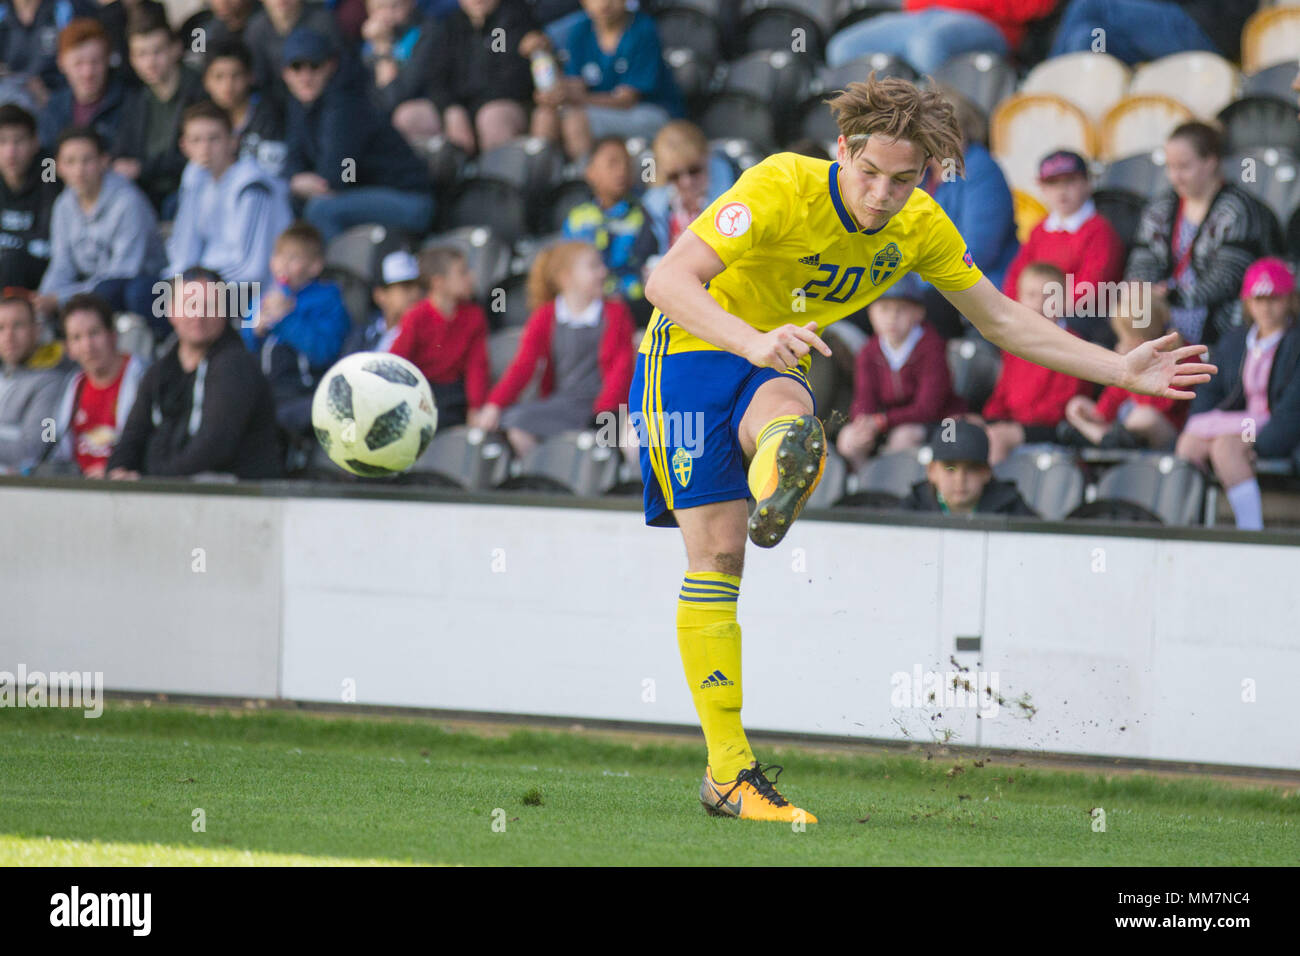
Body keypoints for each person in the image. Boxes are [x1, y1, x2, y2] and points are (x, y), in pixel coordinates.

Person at [637, 75, 1213, 823]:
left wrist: (1119, 367)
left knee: (787, 420)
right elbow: (666, 280)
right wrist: (753, 338)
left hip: (774, 358)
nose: (881, 195)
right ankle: (729, 770)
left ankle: (782, 462)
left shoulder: (921, 225)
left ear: (928, 175)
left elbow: (1002, 321)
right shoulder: (780, 184)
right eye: (869, 173)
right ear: (842, 149)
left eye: (903, 180)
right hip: (690, 349)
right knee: (716, 558)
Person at [107, 267, 283, 479]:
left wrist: (154, 483)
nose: (198, 315)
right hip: (165, 494)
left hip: (228, 496)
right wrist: (117, 471)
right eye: (190, 305)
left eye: (209, 306)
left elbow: (214, 447)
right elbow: (132, 436)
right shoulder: (158, 371)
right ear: (171, 311)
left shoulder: (236, 366)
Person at [1126, 122, 1282, 346]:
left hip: (1219, 323)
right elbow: (1142, 258)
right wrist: (1142, 288)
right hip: (1161, 315)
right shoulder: (1160, 207)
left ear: (1210, 163)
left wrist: (1170, 296)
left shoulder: (1237, 209)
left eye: (1184, 167)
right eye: (1170, 167)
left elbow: (1227, 279)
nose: (1174, 176)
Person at [477, 239, 634, 457]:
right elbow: (523, 366)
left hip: (609, 406)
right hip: (565, 405)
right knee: (513, 422)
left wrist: (603, 412)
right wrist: (494, 404)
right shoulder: (545, 316)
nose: (603, 272)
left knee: (632, 439)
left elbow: (621, 368)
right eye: (594, 267)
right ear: (566, 277)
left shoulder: (615, 313)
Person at [1175, 258, 1300, 531]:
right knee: (1189, 444)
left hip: (1270, 426)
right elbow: (1210, 390)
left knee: (1226, 447)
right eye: (1259, 299)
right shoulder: (1235, 340)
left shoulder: (1295, 341)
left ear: (1290, 300)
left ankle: (1250, 531)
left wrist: (1263, 445)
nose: (1266, 307)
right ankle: (1186, 526)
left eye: (1275, 299)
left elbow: (1293, 410)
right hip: (1240, 421)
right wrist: (1201, 420)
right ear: (1248, 303)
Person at [280, 26, 434, 243]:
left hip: (409, 199)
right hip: (365, 195)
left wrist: (308, 183)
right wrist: (295, 180)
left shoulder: (346, 103)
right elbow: (292, 160)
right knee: (284, 199)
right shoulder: (299, 104)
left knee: (321, 209)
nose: (305, 76)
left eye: (314, 66)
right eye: (297, 68)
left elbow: (340, 176)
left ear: (330, 65)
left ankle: (339, 275)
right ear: (285, 73)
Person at [34, 126, 165, 329]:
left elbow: (123, 273)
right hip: (92, 288)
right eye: (70, 162)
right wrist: (44, 298)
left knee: (113, 291)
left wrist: (60, 298)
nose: (79, 170)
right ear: (58, 167)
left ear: (104, 161)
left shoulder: (128, 201)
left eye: (87, 160)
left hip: (137, 286)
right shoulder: (63, 205)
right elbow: (61, 264)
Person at [836, 273, 965, 469]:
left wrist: (881, 421)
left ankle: (897, 488)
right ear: (871, 313)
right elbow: (863, 398)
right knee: (849, 439)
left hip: (936, 422)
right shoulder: (869, 352)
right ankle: (866, 484)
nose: (891, 318)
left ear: (918, 313)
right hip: (885, 423)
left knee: (904, 438)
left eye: (901, 310)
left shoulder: (932, 347)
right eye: (884, 309)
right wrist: (863, 422)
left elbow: (927, 408)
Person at [920, 88, 1017, 338]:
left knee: (921, 307)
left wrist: (918, 278)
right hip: (929, 282)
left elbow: (977, 251)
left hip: (979, 286)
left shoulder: (981, 169)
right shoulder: (921, 174)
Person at [165, 101, 292, 291]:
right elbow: (184, 250)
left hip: (251, 293)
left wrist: (195, 287)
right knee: (145, 292)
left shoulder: (252, 185)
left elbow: (252, 268)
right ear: (184, 146)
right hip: (207, 285)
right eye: (196, 140)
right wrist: (177, 283)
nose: (205, 148)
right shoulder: (197, 178)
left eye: (214, 139)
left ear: (233, 141)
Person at [1001, 149, 1125, 341]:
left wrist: (1045, 313)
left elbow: (1091, 287)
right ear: (1041, 187)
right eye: (1052, 183)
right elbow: (1017, 275)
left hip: (1081, 320)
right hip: (1038, 314)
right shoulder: (1040, 230)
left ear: (1087, 183)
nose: (1061, 191)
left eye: (1070, 181)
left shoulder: (1100, 230)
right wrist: (1016, 310)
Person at [973, 262, 1090, 464]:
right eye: (1031, 296)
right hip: (1015, 425)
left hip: (1054, 429)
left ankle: (994, 494)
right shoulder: (1014, 344)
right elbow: (1001, 395)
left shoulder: (1073, 345)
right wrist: (988, 420)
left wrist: (1009, 425)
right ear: (1018, 299)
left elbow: (1059, 407)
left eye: (1048, 297)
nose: (1038, 305)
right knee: (964, 428)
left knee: (997, 438)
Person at [535, 0, 682, 160]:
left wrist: (573, 97)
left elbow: (626, 100)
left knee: (575, 120)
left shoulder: (643, 29)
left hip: (650, 112)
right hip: (597, 108)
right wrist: (555, 94)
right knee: (545, 115)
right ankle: (544, 178)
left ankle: (583, 178)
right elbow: (576, 85)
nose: (604, 4)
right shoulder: (579, 30)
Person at [241, 221, 350, 436]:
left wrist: (286, 320)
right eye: (278, 256)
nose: (283, 265)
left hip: (302, 389)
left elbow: (323, 352)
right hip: (265, 387)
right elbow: (245, 344)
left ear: (315, 266)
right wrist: (255, 329)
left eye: (293, 259)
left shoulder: (328, 302)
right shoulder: (265, 298)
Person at [399, 0, 543, 154]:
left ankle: (498, 176)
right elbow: (436, 78)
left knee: (492, 117)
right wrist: (451, 109)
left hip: (502, 104)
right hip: (458, 105)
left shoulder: (510, 21)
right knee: (408, 116)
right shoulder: (449, 25)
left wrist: (471, 109)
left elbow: (511, 79)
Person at [1061, 283, 1186, 450]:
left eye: (1124, 339)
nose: (1119, 345)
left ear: (1140, 340)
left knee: (1142, 417)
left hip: (1165, 430)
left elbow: (1162, 404)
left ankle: (1101, 438)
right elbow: (1114, 394)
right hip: (1124, 423)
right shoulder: (1131, 359)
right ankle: (1103, 437)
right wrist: (1098, 414)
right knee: (1076, 405)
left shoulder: (1179, 355)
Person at [111, 5, 205, 214]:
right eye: (141, 54)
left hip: (188, 191)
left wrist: (142, 168)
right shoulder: (136, 100)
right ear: (133, 60)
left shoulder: (199, 92)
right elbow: (121, 152)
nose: (150, 62)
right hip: (146, 194)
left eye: (157, 51)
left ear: (176, 49)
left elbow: (197, 156)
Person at [388, 244, 489, 429]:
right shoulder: (416, 316)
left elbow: (477, 366)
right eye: (462, 272)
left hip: (455, 396)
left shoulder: (474, 316)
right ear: (438, 282)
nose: (471, 277)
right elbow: (397, 361)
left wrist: (476, 407)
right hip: (420, 392)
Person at [560, 135, 656, 323]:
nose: (621, 170)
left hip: (635, 307)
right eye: (612, 163)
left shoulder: (644, 213)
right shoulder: (578, 218)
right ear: (591, 172)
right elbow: (567, 267)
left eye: (627, 164)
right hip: (587, 305)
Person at [50, 291, 146, 475]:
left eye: (94, 333)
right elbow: (58, 449)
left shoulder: (143, 376)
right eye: (77, 338)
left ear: (113, 335)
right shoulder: (73, 385)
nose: (87, 346)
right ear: (68, 348)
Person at [825, 1, 1054, 74]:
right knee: (843, 48)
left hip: (988, 23)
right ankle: (869, 128)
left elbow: (1037, 6)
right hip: (923, 16)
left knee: (927, 45)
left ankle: (927, 125)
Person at [1048, 0, 1257, 66]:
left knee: (1092, 3)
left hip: (1206, 31)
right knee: (1086, 37)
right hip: (1176, 32)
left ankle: (1044, 87)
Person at [0, 292, 72, 471]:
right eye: (1, 327)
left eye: (18, 325)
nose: (9, 335)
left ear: (37, 330)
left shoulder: (52, 382)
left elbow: (34, 451)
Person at [903, 419, 1036, 516]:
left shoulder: (1013, 511)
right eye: (950, 469)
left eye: (972, 469)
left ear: (987, 472)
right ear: (931, 471)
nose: (960, 479)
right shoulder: (909, 511)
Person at [640, 119, 734, 257]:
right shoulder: (654, 206)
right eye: (674, 176)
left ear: (707, 157)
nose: (686, 182)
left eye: (694, 170)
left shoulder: (736, 192)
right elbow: (644, 256)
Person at [202, 39, 288, 178]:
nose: (227, 86)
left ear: (250, 76)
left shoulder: (268, 115)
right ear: (206, 82)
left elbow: (273, 172)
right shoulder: (204, 119)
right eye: (219, 77)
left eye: (235, 75)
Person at [36, 18, 127, 149]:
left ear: (108, 60)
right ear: (61, 63)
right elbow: (46, 161)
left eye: (95, 62)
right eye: (78, 63)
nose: (88, 73)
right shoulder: (53, 109)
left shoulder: (129, 103)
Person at [0, 103, 59, 291]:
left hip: (38, 267)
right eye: (2, 141)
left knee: (11, 261)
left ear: (35, 142)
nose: (11, 152)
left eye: (18, 141)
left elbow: (45, 238)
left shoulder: (48, 167)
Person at [0, 0, 95, 110]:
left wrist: (49, 98)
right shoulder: (3, 11)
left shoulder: (68, 8)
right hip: (9, 104)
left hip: (59, 104)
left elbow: (86, 66)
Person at [243, 0, 339, 107]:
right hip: (276, 107)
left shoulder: (323, 22)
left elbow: (342, 73)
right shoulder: (256, 29)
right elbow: (258, 82)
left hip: (326, 102)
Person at [359, 0, 437, 119]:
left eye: (395, 6)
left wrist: (383, 47)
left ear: (411, 3)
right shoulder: (369, 40)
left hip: (418, 110)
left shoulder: (426, 32)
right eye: (380, 7)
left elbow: (393, 99)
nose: (387, 14)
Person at [343, 248, 423, 355]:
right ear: (380, 295)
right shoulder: (364, 333)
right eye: (406, 287)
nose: (415, 294)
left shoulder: (425, 332)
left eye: (419, 287)